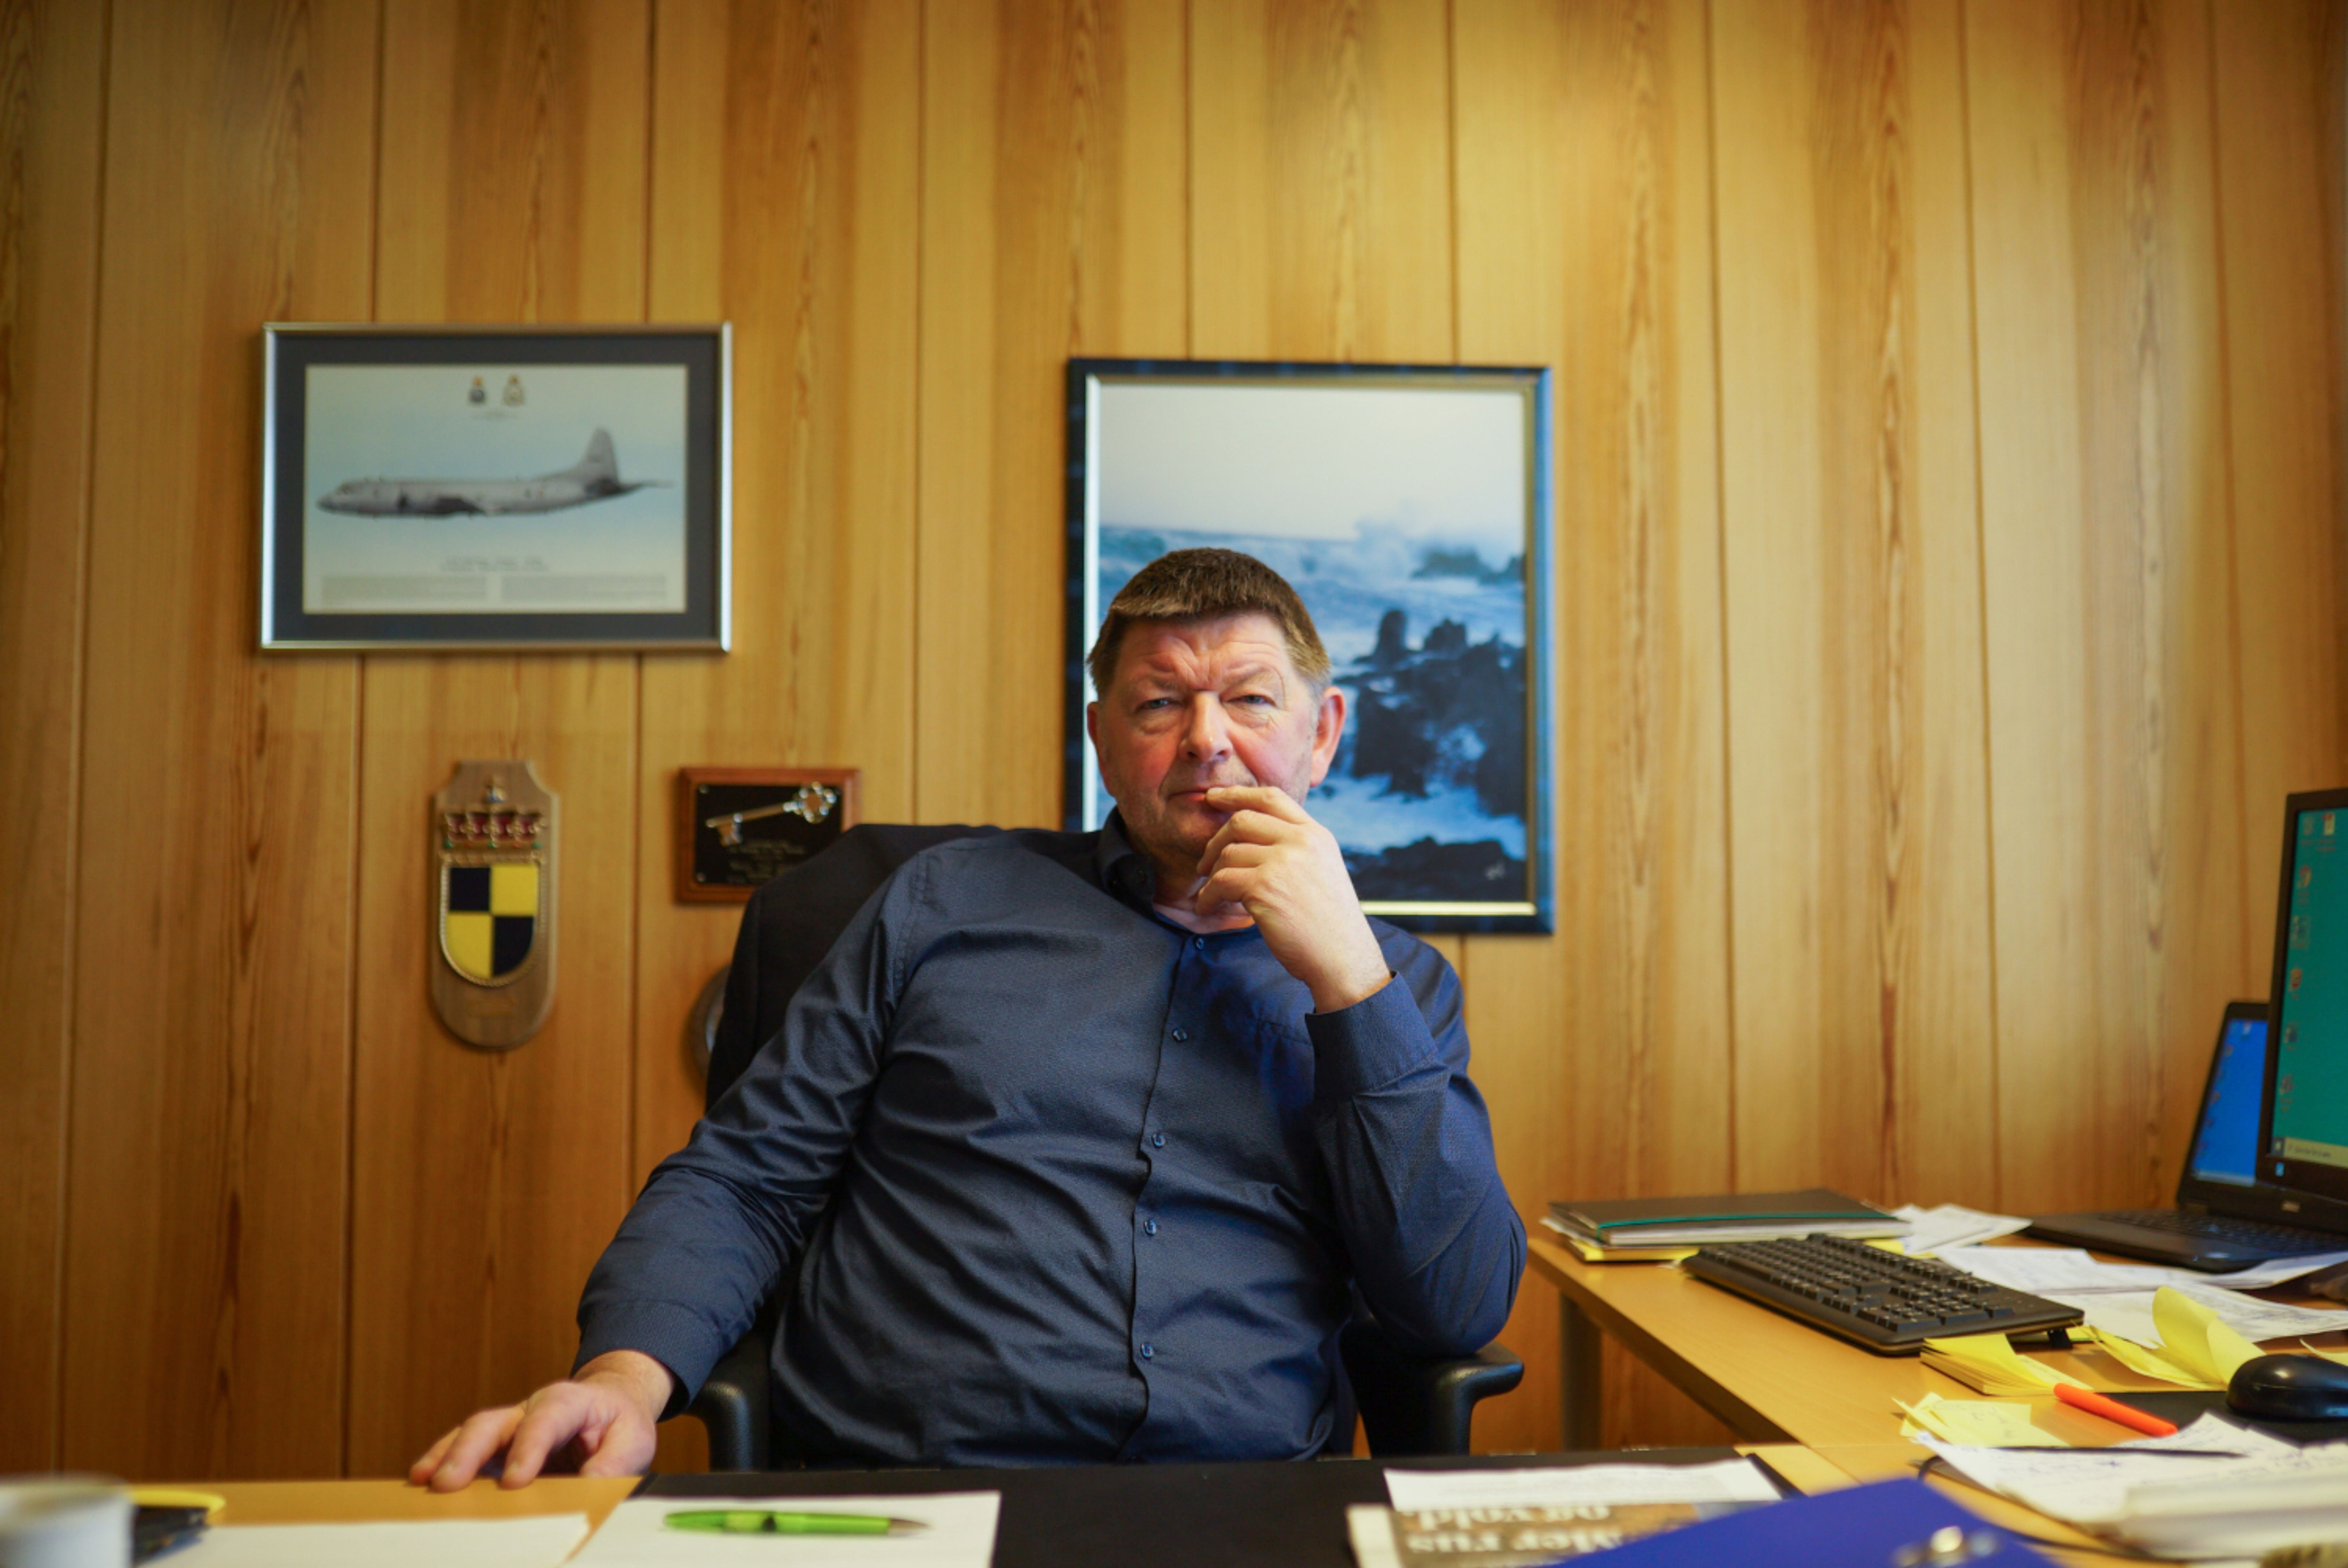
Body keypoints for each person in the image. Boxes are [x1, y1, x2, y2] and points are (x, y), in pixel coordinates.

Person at [412, 548, 1524, 1487]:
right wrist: (624, 1379)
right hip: (911, 1489)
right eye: (1159, 703)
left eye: (1251, 699)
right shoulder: (941, 904)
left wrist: (1348, 985)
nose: (1205, 739)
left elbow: (1453, 1310)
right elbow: (747, 1179)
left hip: (1236, 1503)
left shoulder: (1398, 986)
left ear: (1324, 734)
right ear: (1103, 738)